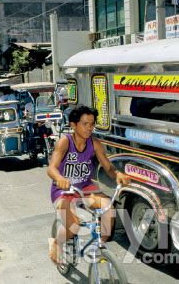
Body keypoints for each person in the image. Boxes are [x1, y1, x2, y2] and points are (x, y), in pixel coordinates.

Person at [47, 105, 130, 264]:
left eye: (92, 124)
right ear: (73, 125)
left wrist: (118, 174)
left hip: (85, 188)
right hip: (64, 191)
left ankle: (100, 249)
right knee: (74, 225)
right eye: (85, 124)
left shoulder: (95, 143)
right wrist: (59, 178)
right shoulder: (65, 142)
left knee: (108, 210)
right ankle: (57, 243)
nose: (90, 128)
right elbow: (51, 168)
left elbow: (109, 168)